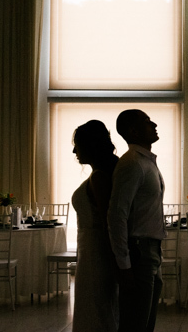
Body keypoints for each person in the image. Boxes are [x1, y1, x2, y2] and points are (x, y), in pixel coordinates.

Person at [108, 109, 165, 332]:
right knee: (136, 324)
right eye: (147, 121)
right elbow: (117, 215)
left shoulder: (145, 161)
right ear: (134, 131)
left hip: (151, 251)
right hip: (139, 252)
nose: (154, 125)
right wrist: (124, 264)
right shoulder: (132, 163)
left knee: (145, 322)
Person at [71, 120, 120, 332]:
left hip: (96, 253)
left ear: (90, 145)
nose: (74, 151)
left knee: (95, 306)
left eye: (77, 145)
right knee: (96, 305)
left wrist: (115, 259)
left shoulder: (100, 177)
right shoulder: (101, 174)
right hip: (90, 250)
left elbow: (108, 221)